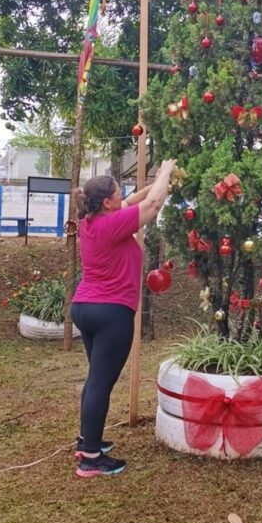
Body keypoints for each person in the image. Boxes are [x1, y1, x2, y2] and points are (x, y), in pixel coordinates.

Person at [71, 159, 176, 478]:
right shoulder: (111, 224)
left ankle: (88, 440)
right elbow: (152, 203)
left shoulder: (93, 219)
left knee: (96, 379)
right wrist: (166, 172)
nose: (123, 195)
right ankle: (90, 459)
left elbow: (139, 198)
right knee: (101, 382)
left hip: (85, 308)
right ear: (106, 202)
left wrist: (163, 182)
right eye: (118, 192)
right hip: (110, 313)